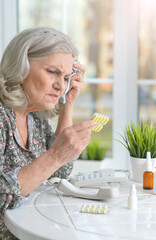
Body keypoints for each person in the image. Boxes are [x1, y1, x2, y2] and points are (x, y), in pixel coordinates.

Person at [0, 27, 96, 239]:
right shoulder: (2, 117)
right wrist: (55, 156)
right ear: (20, 66)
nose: (60, 85)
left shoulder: (35, 119)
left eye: (65, 77)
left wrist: (68, 104)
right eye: (52, 71)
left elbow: (58, 174)